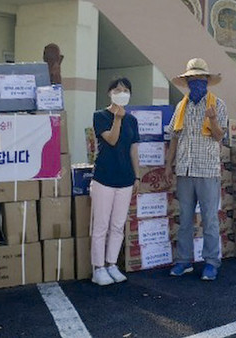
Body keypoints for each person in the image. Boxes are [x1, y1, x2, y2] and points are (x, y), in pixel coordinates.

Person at [165, 58, 227, 281]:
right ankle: (184, 260)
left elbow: (220, 137)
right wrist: (168, 165)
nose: (196, 84)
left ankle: (211, 262)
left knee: (209, 219)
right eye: (192, 80)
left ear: (207, 82)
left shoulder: (217, 105)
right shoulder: (181, 106)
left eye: (200, 80)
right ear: (188, 82)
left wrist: (212, 120)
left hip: (207, 170)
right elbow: (174, 136)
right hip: (185, 170)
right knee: (185, 218)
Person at [90, 78, 140, 286]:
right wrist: (117, 119)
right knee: (101, 225)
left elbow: (133, 149)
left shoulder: (132, 120)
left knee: (118, 225)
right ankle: (98, 268)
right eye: (118, 90)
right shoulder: (100, 116)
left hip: (125, 178)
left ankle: (112, 264)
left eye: (126, 90)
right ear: (109, 93)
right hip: (104, 177)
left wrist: (137, 176)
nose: (122, 93)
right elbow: (111, 139)